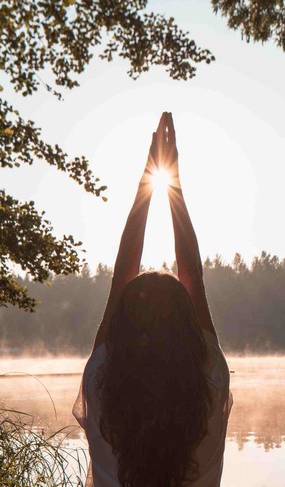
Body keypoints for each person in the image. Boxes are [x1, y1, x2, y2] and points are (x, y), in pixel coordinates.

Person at [74, 113, 232, 486]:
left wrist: (151, 175)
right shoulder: (210, 382)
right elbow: (193, 273)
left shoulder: (100, 381)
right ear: (188, 327)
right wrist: (170, 180)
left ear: (123, 327)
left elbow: (121, 275)